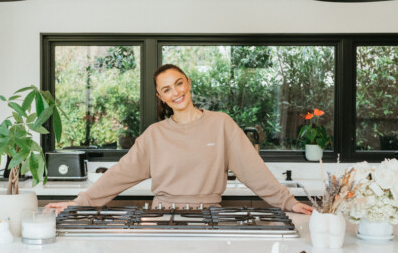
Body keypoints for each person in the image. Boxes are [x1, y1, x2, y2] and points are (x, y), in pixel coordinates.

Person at [46, 64, 313, 215]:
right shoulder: (155, 135)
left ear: (188, 83)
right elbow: (119, 174)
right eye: (166, 89)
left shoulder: (221, 124)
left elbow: (254, 171)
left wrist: (289, 202)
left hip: (210, 216)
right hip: (162, 217)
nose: (175, 92)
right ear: (160, 98)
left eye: (179, 83)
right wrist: (79, 202)